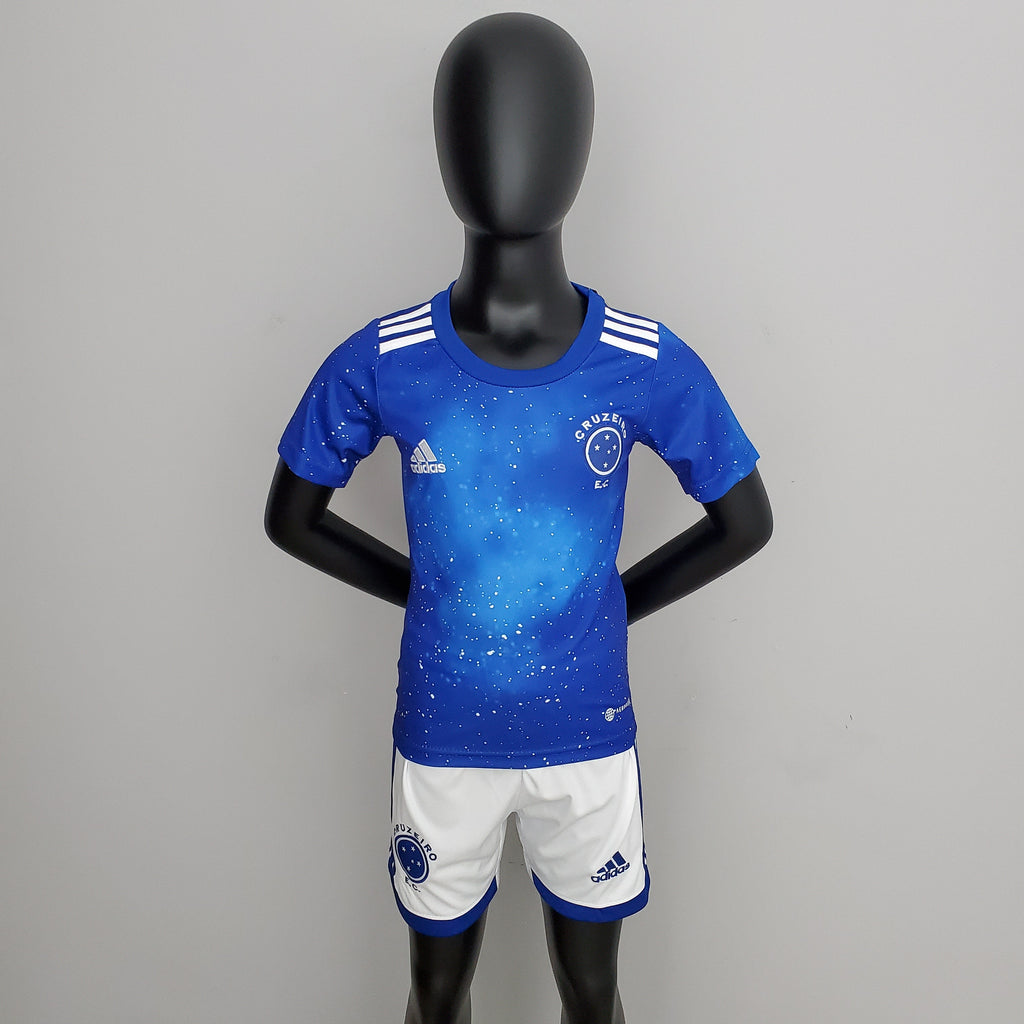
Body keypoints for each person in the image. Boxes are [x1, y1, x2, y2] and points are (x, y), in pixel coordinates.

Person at [265, 13, 772, 1024]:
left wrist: (608, 606)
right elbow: (291, 516)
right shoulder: (385, 359)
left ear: (578, 147)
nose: (508, 151)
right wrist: (429, 592)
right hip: (442, 737)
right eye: (479, 123)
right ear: (446, 149)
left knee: (593, 994)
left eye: (538, 121)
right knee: (435, 995)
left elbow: (745, 520)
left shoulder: (642, 360)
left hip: (587, 736)